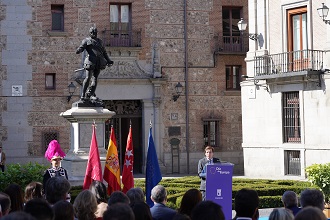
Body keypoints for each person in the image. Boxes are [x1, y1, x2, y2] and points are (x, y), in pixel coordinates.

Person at [76, 26, 113, 101]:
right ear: (90, 33)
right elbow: (81, 48)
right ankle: (83, 95)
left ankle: (91, 94)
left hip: (98, 62)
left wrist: (109, 60)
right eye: (92, 32)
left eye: (95, 32)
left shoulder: (100, 41)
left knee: (95, 79)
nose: (93, 34)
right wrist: (79, 50)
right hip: (90, 61)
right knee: (88, 77)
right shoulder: (86, 41)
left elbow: (104, 52)